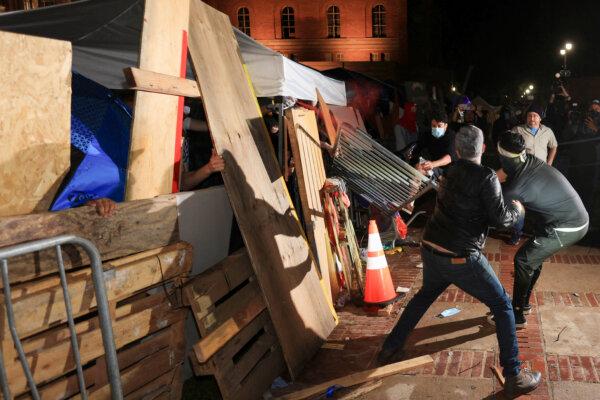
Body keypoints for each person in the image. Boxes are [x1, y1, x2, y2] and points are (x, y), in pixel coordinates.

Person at [377, 126, 541, 397]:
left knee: (424, 296)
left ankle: (390, 347)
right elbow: (501, 219)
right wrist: (517, 211)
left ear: (456, 150)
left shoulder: (449, 172)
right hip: (460, 256)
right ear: (484, 148)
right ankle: (514, 376)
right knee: (502, 305)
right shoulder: (486, 176)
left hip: (431, 248)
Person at [495, 131, 589, 327]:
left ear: (503, 157)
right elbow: (502, 174)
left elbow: (502, 217)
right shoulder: (529, 159)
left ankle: (517, 315)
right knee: (533, 259)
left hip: (570, 225)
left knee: (523, 260)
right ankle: (524, 304)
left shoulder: (517, 187)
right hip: (567, 217)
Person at [414, 110, 456, 178]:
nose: (436, 128)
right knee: (417, 166)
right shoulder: (428, 134)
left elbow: (449, 158)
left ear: (445, 126)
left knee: (420, 169)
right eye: (433, 126)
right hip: (430, 165)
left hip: (445, 170)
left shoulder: (451, 137)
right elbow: (418, 148)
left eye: (439, 126)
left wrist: (433, 164)